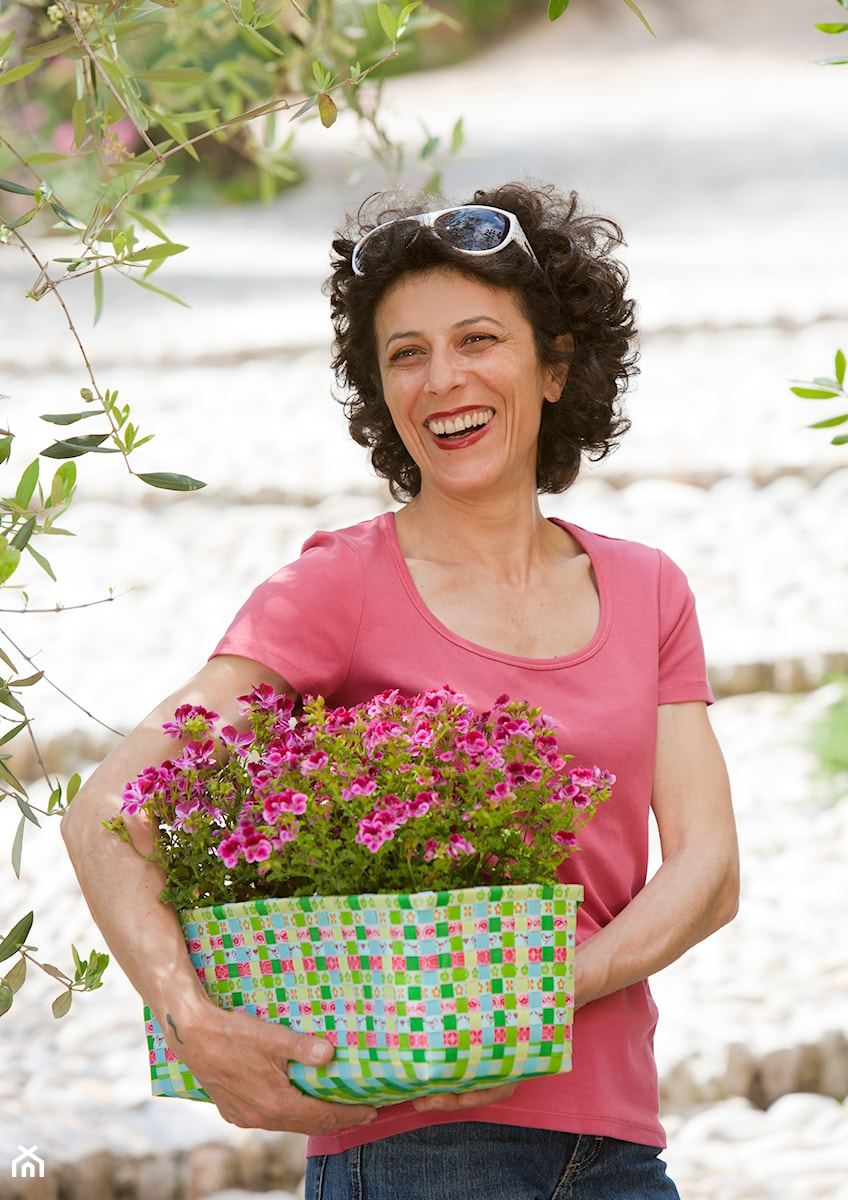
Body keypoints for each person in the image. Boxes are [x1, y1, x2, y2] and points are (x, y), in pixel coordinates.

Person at [62, 181, 739, 1200]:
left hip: (617, 1149)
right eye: (405, 354)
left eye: (477, 340)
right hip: (415, 1153)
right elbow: (109, 811)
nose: (441, 381)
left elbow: (707, 868)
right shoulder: (337, 585)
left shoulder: (646, 589)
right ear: (379, 391)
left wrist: (529, 992)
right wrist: (193, 1021)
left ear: (555, 366)